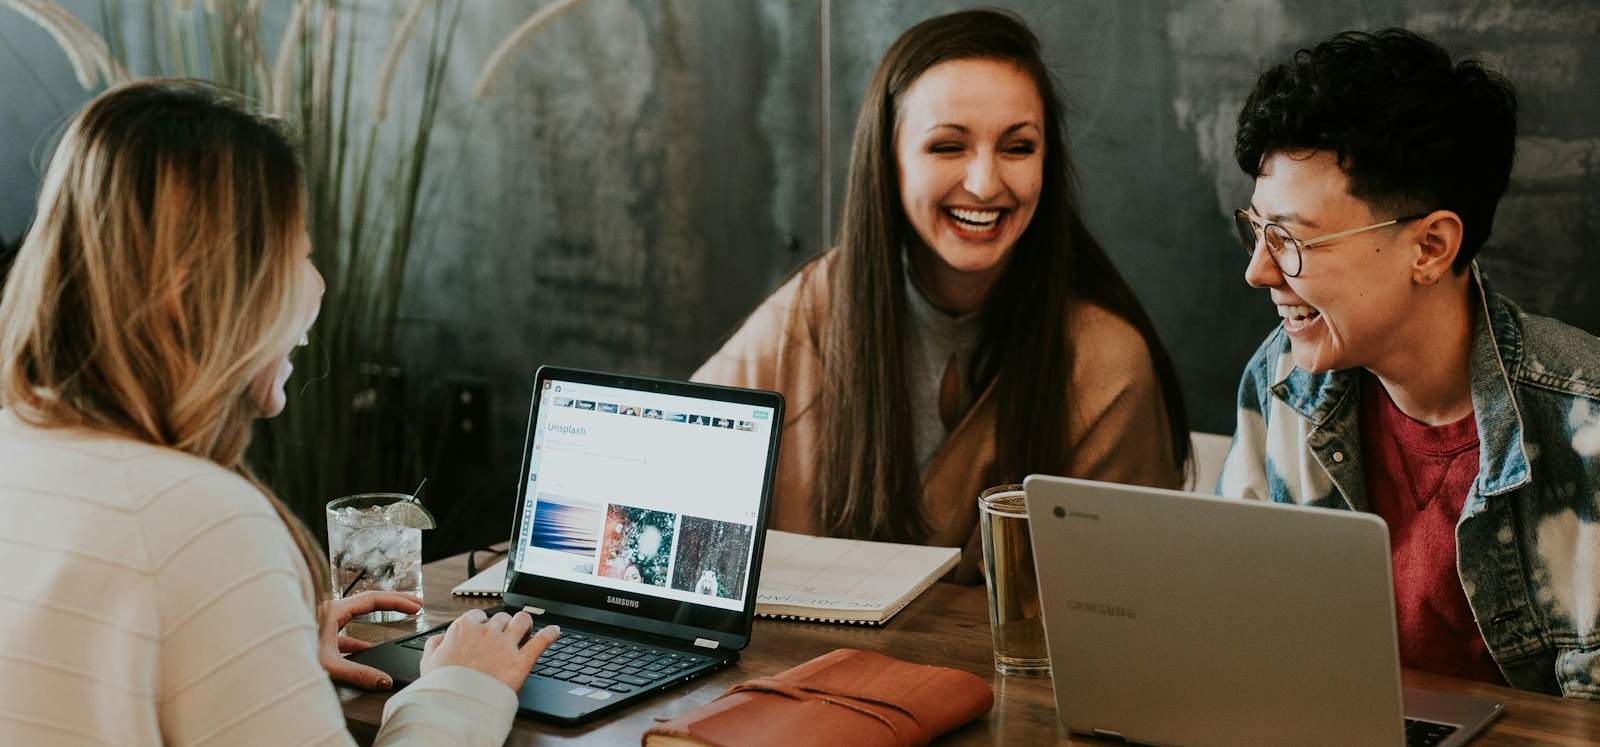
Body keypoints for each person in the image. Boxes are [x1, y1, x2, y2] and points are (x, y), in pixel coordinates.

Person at [0, 80, 560, 744]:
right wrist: (463, 688)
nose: (317, 285)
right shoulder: (198, 519)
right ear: (202, 291)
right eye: (297, 256)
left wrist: (257, 643)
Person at [695, 9, 1190, 582]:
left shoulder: (1106, 362)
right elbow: (672, 465)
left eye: (1018, 147)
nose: (985, 183)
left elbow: (1126, 608)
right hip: (797, 670)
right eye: (947, 147)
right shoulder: (812, 309)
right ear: (889, 161)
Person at [1217, 29, 1600, 698]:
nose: (1258, 270)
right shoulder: (1281, 380)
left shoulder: (1586, 423)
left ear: (1430, 246)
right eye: (1258, 229)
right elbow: (1237, 635)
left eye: (1292, 239)